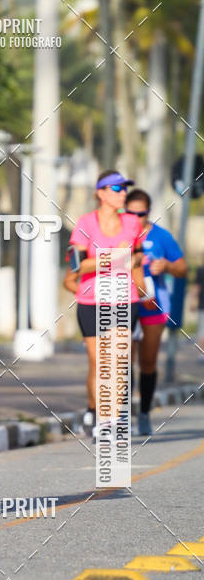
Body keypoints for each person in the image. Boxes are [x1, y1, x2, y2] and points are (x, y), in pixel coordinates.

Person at [69, 170, 147, 441]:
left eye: (125, 188)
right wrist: (114, 257)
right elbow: (78, 266)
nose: (123, 193)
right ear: (100, 193)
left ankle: (111, 420)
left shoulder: (132, 223)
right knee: (99, 362)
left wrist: (133, 260)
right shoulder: (85, 223)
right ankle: (96, 411)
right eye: (116, 189)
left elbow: (137, 255)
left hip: (125, 298)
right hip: (92, 300)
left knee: (119, 360)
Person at [126, 189, 187, 435]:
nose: (137, 218)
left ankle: (144, 414)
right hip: (126, 303)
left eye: (142, 213)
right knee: (123, 363)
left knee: (148, 362)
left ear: (149, 213)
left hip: (154, 305)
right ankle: (123, 415)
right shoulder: (119, 235)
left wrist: (168, 265)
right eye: (132, 213)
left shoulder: (161, 236)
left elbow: (183, 269)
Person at [192, 253, 204, 362]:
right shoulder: (201, 270)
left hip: (202, 304)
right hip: (202, 304)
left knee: (202, 330)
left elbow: (196, 287)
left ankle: (202, 354)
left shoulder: (201, 269)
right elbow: (196, 287)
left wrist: (192, 301)